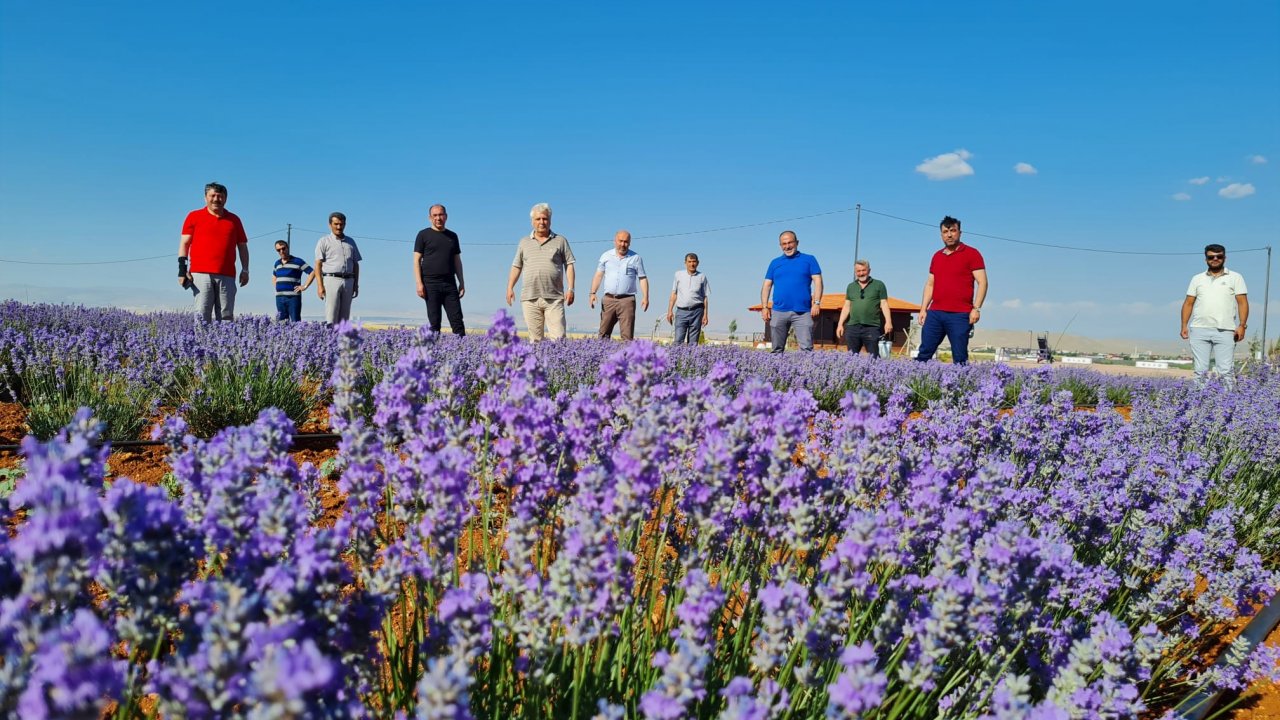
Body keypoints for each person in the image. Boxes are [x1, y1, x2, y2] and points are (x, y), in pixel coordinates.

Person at [915, 216, 987, 364]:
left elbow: (983, 282)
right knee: (924, 353)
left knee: (959, 356)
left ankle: (960, 385)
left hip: (960, 315)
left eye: (953, 231)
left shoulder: (972, 254)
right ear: (941, 234)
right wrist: (923, 309)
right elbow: (930, 284)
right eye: (945, 231)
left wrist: (976, 308)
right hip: (935, 313)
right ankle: (914, 384)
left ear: (960, 232)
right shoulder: (937, 256)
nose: (949, 234)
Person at [1180, 244, 1249, 390]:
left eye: (1219, 256)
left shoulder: (1235, 277)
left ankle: (1228, 405)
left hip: (1226, 330)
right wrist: (1184, 326)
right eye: (1211, 257)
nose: (1215, 259)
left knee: (1225, 371)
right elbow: (1188, 303)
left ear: (1225, 258)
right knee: (1200, 371)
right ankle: (1199, 403)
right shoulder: (1197, 279)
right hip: (1199, 329)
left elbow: (1242, 302)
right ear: (1206, 259)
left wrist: (1242, 325)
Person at [178, 181, 249, 321]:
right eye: (213, 196)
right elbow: (184, 244)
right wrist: (182, 270)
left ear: (225, 198)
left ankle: (225, 343)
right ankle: (200, 342)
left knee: (226, 316)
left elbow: (242, 246)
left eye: (220, 196)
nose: (216, 199)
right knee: (202, 314)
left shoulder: (234, 220)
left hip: (227, 274)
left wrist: (245, 269)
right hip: (200, 274)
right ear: (205, 198)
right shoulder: (194, 216)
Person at [506, 203, 576, 341]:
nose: (541, 222)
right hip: (530, 298)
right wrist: (510, 287)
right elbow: (516, 266)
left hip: (554, 297)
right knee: (535, 341)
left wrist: (571, 288)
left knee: (559, 339)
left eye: (545, 219)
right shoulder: (524, 242)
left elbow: (569, 264)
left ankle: (556, 363)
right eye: (538, 219)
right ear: (532, 221)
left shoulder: (560, 241)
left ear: (550, 220)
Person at [761, 230, 823, 352]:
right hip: (779, 311)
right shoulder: (775, 263)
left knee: (806, 350)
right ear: (780, 245)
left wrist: (816, 303)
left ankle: (807, 371)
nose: (787, 246)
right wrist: (764, 307)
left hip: (803, 312)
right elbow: (766, 286)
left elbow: (818, 281)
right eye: (784, 244)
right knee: (776, 350)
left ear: (797, 243)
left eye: (790, 242)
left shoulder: (809, 260)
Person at [413, 204, 466, 335]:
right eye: (435, 215)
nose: (438, 218)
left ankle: (462, 351)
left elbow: (457, 261)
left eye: (441, 215)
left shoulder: (453, 236)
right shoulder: (423, 235)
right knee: (434, 322)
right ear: (430, 218)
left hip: (450, 283)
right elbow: (416, 260)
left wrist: (462, 282)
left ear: (446, 217)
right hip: (430, 284)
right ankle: (434, 353)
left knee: (457, 321)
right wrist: (419, 283)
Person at [589, 230, 649, 340]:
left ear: (629, 243)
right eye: (620, 241)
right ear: (615, 241)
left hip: (627, 301)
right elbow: (598, 275)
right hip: (609, 300)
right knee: (603, 334)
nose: (623, 244)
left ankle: (627, 357)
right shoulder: (606, 256)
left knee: (627, 336)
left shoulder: (636, 258)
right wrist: (593, 293)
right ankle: (601, 356)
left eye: (626, 242)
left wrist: (645, 297)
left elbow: (642, 278)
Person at [836, 259, 892, 357]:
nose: (861, 273)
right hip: (853, 327)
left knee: (874, 358)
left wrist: (888, 321)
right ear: (855, 272)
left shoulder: (879, 285)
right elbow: (846, 306)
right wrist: (840, 324)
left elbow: (884, 304)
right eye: (858, 271)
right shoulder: (851, 286)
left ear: (869, 270)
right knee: (851, 358)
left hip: (871, 327)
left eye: (863, 270)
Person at [315, 212, 362, 326]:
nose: (339, 227)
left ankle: (341, 341)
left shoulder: (351, 242)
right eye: (336, 224)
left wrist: (356, 284)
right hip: (331, 280)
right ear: (330, 224)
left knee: (345, 317)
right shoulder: (323, 241)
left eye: (341, 224)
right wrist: (320, 286)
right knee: (331, 314)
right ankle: (329, 340)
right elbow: (318, 265)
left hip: (349, 280)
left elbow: (356, 264)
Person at [666, 253, 710, 345]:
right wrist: (669, 311)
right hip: (681, 311)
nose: (692, 264)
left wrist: (705, 315)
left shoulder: (702, 277)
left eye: (694, 262)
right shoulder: (678, 275)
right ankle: (676, 358)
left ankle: (691, 359)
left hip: (697, 311)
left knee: (693, 342)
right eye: (689, 262)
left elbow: (705, 297)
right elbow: (674, 293)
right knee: (678, 340)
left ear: (698, 263)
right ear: (685, 263)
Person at [271, 240, 315, 322]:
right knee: (281, 323)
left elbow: (312, 272)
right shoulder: (277, 263)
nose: (281, 251)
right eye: (278, 250)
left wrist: (304, 286)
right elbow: (274, 276)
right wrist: (276, 287)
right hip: (279, 298)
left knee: (295, 322)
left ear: (287, 248)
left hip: (293, 298)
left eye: (283, 248)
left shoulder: (298, 261)